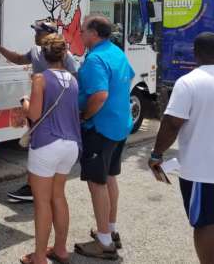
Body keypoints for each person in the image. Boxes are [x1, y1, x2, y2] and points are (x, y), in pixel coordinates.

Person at [149, 32, 214, 264]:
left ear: (195, 53)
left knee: (204, 222)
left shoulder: (188, 82)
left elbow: (172, 124)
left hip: (202, 170)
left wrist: (156, 154)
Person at [0, 20, 78, 203]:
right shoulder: (36, 51)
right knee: (37, 144)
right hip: (39, 104)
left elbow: (74, 80)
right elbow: (18, 59)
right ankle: (36, 187)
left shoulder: (65, 56)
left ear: (49, 34)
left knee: (45, 145)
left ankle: (36, 189)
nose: (35, 35)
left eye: (38, 32)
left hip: (53, 108)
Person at [74, 16, 135, 260]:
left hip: (100, 128)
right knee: (110, 177)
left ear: (94, 33)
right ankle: (110, 230)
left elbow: (99, 94)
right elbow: (127, 78)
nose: (80, 34)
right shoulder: (117, 52)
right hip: (120, 125)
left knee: (96, 183)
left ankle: (104, 243)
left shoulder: (95, 59)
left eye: (83, 30)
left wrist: (85, 116)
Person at [19, 34, 82, 264]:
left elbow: (34, 114)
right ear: (63, 54)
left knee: (42, 202)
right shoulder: (73, 80)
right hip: (70, 144)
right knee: (58, 196)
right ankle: (61, 249)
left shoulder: (40, 78)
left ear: (44, 56)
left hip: (47, 144)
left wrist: (24, 102)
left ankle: (39, 257)